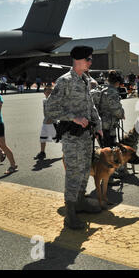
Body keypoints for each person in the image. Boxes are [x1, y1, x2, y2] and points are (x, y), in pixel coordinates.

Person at [45, 46, 103, 230]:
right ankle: (70, 215)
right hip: (72, 137)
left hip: (86, 137)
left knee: (85, 170)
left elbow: (90, 104)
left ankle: (80, 202)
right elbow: (50, 109)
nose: (91, 63)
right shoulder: (65, 81)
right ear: (79, 61)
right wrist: (74, 118)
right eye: (89, 60)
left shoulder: (85, 80)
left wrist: (98, 123)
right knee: (73, 173)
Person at [91, 70, 125, 149]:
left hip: (99, 124)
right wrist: (122, 114)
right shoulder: (112, 91)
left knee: (104, 148)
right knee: (110, 150)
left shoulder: (102, 88)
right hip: (108, 126)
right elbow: (116, 109)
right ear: (117, 82)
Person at [34, 85, 56, 160]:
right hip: (46, 121)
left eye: (51, 91)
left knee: (58, 138)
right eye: (47, 91)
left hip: (53, 122)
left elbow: (57, 111)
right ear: (44, 93)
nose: (49, 92)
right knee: (42, 137)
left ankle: (66, 152)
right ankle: (42, 153)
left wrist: (52, 119)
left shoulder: (54, 101)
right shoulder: (44, 100)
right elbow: (44, 111)